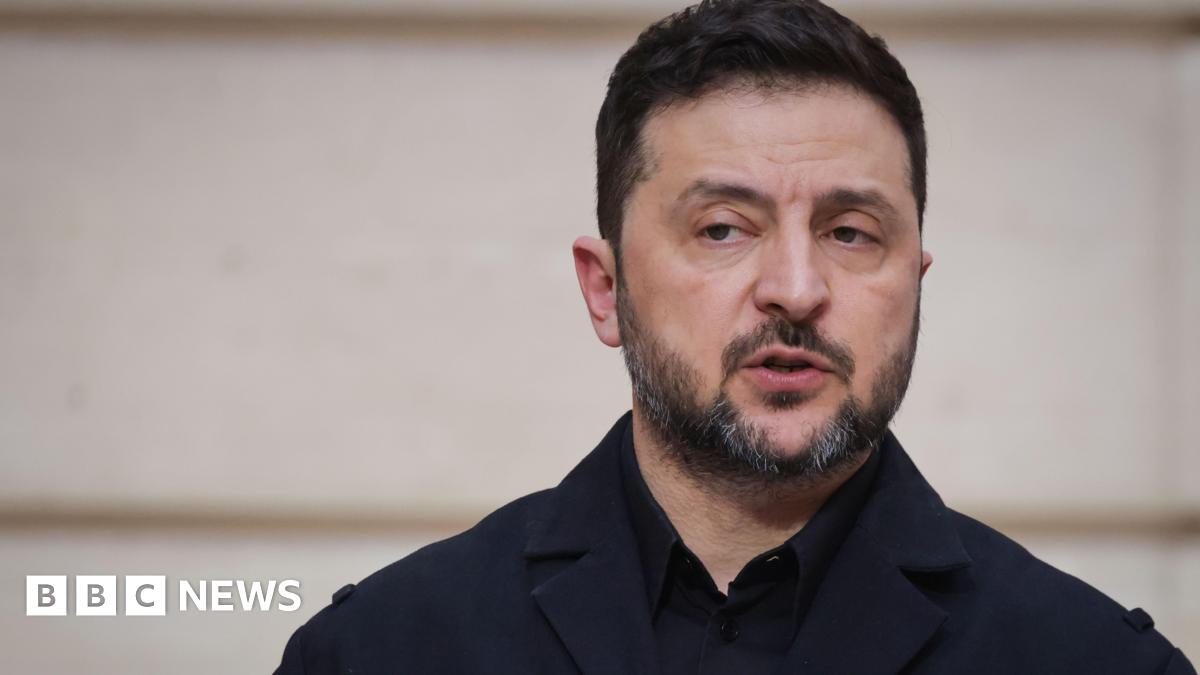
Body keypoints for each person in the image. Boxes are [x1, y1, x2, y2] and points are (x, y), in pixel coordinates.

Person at [274, 1, 1194, 673]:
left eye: (850, 232)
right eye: (723, 228)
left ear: (913, 284)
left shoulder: (1091, 663)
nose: (795, 290)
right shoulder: (380, 652)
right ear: (606, 289)